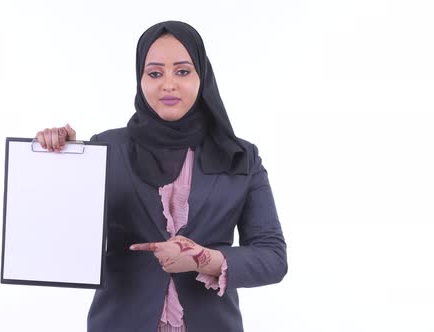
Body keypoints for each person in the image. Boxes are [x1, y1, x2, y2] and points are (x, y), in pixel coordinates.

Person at [36, 21, 287, 332]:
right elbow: (67, 236)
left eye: (182, 71)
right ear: (140, 79)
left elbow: (273, 257)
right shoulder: (107, 148)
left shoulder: (241, 157)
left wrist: (202, 259)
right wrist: (66, 164)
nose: (168, 84)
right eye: (154, 73)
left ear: (202, 77)